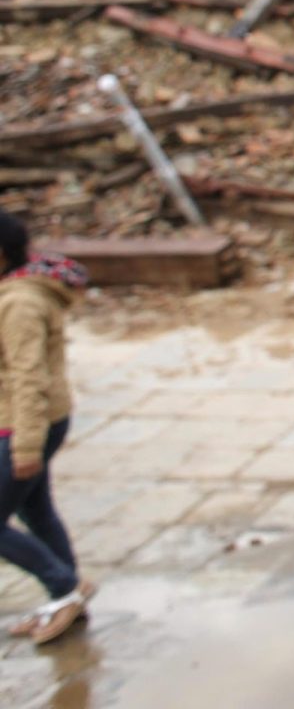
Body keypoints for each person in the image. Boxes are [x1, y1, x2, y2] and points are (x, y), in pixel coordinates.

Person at [0, 212, 93, 645]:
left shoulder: (20, 303)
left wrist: (26, 448)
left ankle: (64, 588)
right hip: (28, 418)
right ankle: (67, 597)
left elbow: (28, 376)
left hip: (23, 424)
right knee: (35, 511)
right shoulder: (14, 291)